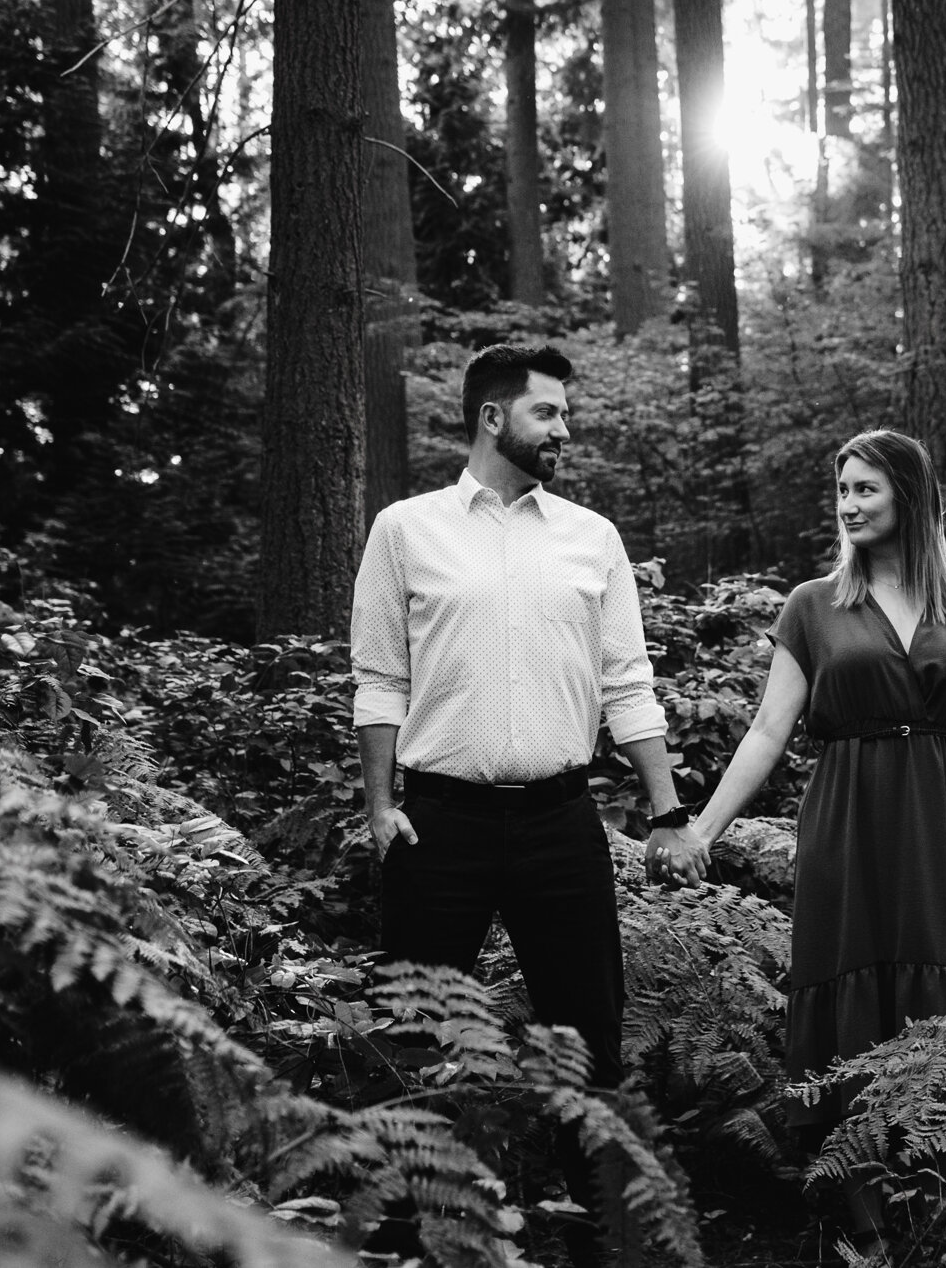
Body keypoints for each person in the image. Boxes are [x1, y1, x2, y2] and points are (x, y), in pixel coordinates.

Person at [350, 342, 708, 1257]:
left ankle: (600, 1223)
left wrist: (666, 810)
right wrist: (381, 804)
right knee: (419, 1031)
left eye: (564, 412)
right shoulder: (403, 530)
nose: (565, 428)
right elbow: (380, 680)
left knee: (587, 1030)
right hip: (441, 819)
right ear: (491, 417)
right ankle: (406, 1225)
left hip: (561, 818)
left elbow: (629, 685)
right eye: (548, 411)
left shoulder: (592, 538)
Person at [658, 427, 946, 1254]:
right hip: (847, 821)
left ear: (910, 498)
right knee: (848, 988)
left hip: (939, 830)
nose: (848, 504)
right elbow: (770, 727)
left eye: (866, 489)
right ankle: (865, 1217)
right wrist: (704, 826)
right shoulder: (814, 605)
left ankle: (938, 1196)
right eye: (842, 490)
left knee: (940, 1003)